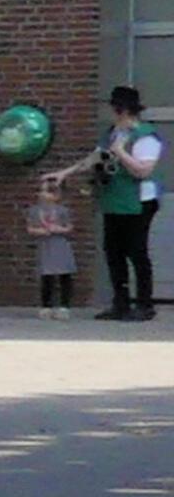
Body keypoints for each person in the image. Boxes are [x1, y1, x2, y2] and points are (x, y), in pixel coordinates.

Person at [42, 85, 163, 320]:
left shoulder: (146, 136)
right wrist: (64, 173)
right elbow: (93, 158)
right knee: (113, 252)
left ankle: (145, 305)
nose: (110, 112)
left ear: (123, 110)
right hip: (114, 199)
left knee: (136, 252)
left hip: (139, 202)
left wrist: (120, 152)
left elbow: (142, 171)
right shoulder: (112, 132)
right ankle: (121, 303)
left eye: (113, 107)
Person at [28, 179, 77, 320]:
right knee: (46, 277)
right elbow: (30, 228)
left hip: (60, 245)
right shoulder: (35, 211)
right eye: (41, 191)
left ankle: (64, 306)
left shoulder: (63, 211)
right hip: (46, 246)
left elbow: (69, 227)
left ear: (57, 195)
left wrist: (59, 229)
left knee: (64, 276)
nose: (42, 194)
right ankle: (46, 306)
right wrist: (40, 231)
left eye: (47, 191)